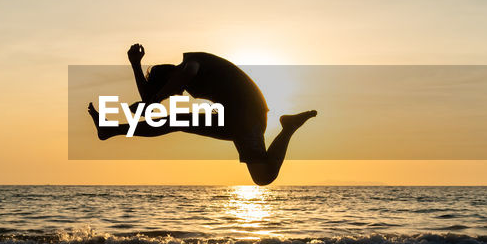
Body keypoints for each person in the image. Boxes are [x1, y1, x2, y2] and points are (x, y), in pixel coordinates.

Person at [88, 44, 316, 185]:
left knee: (263, 177)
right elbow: (151, 97)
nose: (176, 93)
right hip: (237, 114)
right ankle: (110, 129)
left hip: (246, 114)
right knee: (173, 122)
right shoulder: (182, 75)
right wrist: (136, 66)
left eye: (171, 90)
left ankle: (288, 128)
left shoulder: (191, 63)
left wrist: (153, 101)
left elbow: (186, 73)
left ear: (170, 76)